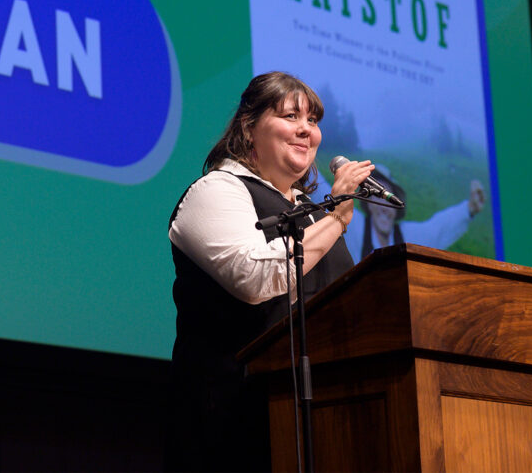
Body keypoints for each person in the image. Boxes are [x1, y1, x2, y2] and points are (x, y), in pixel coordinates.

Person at [165, 72, 374, 472]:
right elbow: (255, 280)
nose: (306, 130)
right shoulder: (217, 190)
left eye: (312, 121)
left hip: (327, 418)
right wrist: (335, 217)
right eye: (291, 116)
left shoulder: (316, 212)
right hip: (234, 422)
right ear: (249, 126)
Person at [340, 165, 487, 262]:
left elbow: (437, 229)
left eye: (389, 199)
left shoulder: (407, 236)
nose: (384, 207)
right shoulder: (355, 226)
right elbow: (323, 191)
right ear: (368, 204)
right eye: (377, 197)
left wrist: (468, 209)